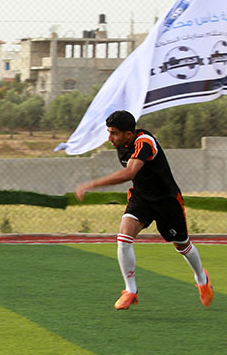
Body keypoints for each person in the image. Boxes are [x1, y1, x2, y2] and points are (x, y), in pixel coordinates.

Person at [75, 110, 213, 310]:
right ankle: (130, 291)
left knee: (182, 244)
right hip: (142, 198)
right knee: (123, 238)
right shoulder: (122, 143)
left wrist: (92, 184)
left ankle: (202, 279)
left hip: (166, 201)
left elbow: (129, 172)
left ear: (128, 134)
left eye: (114, 133)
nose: (109, 138)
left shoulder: (144, 142)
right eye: (109, 132)